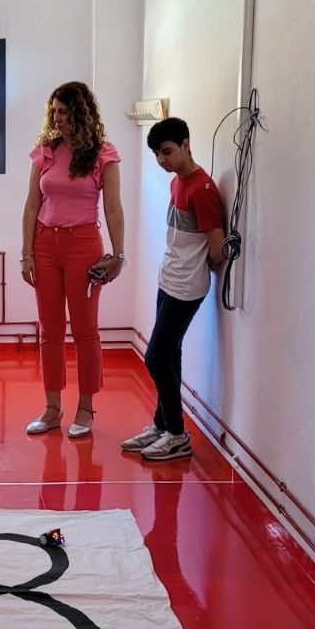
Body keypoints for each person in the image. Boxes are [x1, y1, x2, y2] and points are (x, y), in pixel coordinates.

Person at [20, 81, 126, 439]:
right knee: (49, 330)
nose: (57, 118)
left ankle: (85, 408)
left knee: (85, 331)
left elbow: (113, 207)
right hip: (45, 244)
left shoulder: (103, 154)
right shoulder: (46, 150)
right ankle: (52, 408)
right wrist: (26, 253)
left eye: (64, 112)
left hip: (84, 244)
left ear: (81, 112)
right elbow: (32, 204)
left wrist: (118, 254)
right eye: (54, 112)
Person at [123, 117, 226, 461]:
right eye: (157, 155)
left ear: (186, 144)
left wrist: (203, 266)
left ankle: (178, 434)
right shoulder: (177, 184)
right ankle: (163, 423)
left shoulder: (203, 190)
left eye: (167, 152)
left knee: (155, 357)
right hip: (168, 279)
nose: (162, 161)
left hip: (187, 288)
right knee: (171, 355)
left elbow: (217, 248)